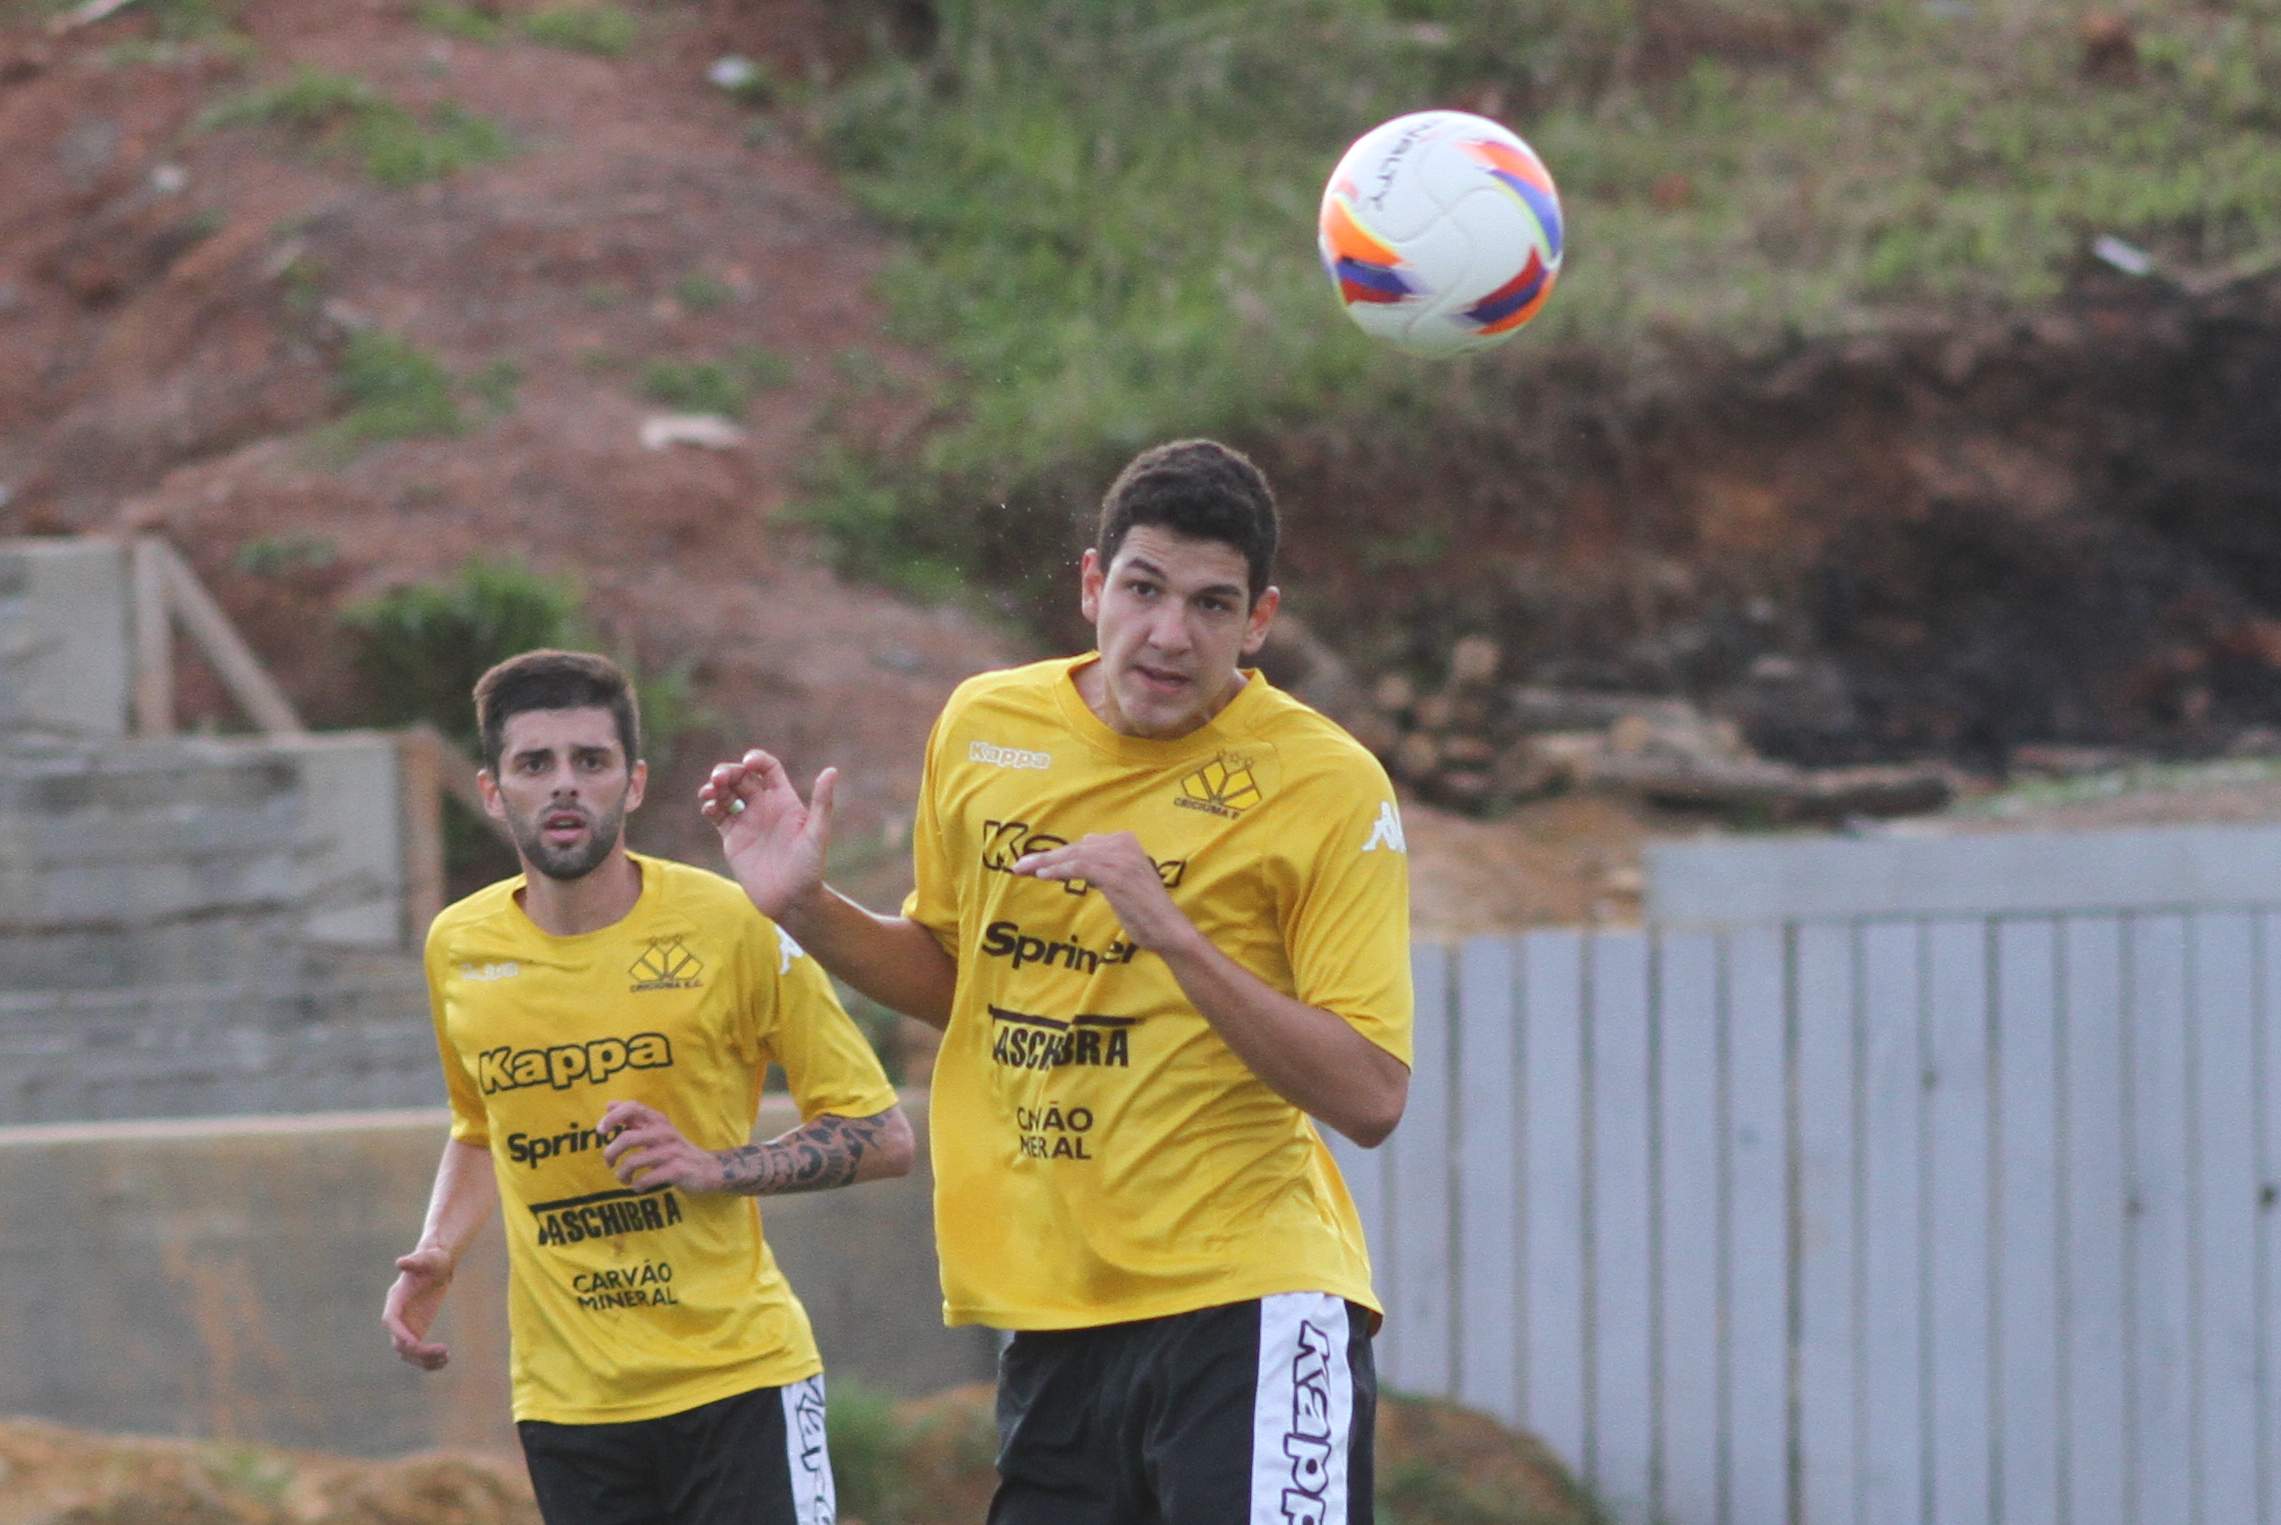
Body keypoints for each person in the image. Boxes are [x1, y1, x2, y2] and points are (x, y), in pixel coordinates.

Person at [701, 439, 1414, 1524]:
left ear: (1258, 621)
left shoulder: (1325, 783)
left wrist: (1172, 936)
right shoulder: (988, 727)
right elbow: (964, 981)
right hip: (1053, 1313)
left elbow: (1370, 1095)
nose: (1169, 634)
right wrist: (805, 906)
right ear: (1091, 585)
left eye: (1211, 605)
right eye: (1143, 589)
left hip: (1247, 1305)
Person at [382, 648, 913, 1525]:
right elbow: (481, 1126)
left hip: (737, 1380)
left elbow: (882, 1133)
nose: (564, 786)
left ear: (631, 785)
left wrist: (718, 1166)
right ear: (490, 790)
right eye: (534, 764)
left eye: (589, 762)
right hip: (568, 1406)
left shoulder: (732, 923)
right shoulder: (458, 946)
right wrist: (439, 1248)